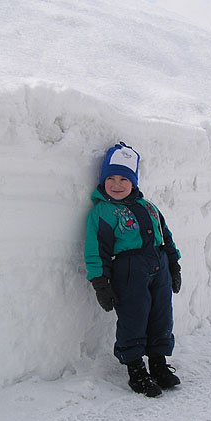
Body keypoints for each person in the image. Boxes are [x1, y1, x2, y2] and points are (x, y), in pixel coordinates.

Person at [84, 141, 182, 397]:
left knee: (161, 315)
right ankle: (136, 369)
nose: (116, 185)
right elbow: (95, 250)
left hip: (158, 266)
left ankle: (158, 364)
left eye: (123, 179)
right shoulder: (102, 213)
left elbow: (166, 236)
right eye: (111, 178)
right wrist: (100, 282)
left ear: (134, 182)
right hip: (129, 271)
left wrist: (173, 263)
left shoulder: (149, 206)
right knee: (134, 317)